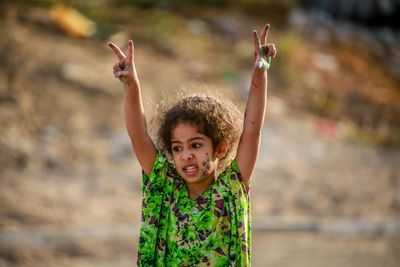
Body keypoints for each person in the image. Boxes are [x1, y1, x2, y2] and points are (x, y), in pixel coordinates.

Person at [109, 23, 277, 266]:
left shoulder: (230, 188)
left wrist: (260, 72)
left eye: (196, 145)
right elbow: (138, 136)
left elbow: (252, 131)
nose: (186, 155)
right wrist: (131, 85)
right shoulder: (165, 187)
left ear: (220, 148)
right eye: (177, 148)